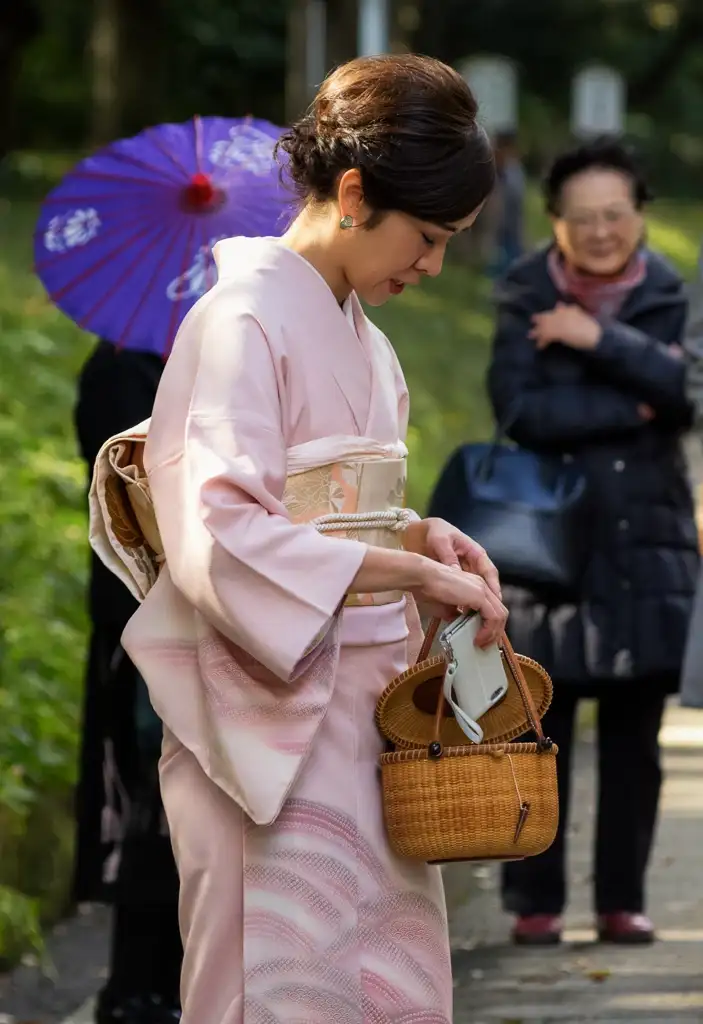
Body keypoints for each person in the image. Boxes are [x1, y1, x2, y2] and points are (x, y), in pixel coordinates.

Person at [89, 54, 505, 1024]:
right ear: (354, 193)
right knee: (270, 990)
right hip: (260, 723)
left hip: (363, 719)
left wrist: (426, 541)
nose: (432, 264)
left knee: (383, 986)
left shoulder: (373, 342)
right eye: (428, 236)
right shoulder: (237, 322)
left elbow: (344, 516)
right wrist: (392, 563)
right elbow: (220, 538)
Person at [487, 137, 699, 946]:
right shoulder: (520, 291)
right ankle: (532, 901)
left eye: (615, 215)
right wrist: (636, 399)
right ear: (554, 224)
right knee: (533, 730)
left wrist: (592, 340)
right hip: (546, 544)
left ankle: (621, 900)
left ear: (639, 216)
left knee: (632, 741)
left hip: (647, 536)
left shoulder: (676, 293)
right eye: (583, 219)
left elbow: (687, 394)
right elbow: (519, 410)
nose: (601, 232)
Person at [74, 340, 183, 1024]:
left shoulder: (211, 358)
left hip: (200, 612)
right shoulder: (120, 364)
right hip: (140, 611)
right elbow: (132, 483)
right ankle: (135, 994)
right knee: (147, 803)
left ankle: (169, 988)